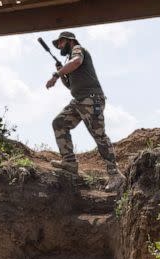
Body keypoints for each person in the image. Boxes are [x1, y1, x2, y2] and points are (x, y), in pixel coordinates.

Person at [45, 31, 125, 192]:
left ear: (69, 41)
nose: (59, 46)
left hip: (91, 99)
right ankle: (69, 162)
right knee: (59, 123)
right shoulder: (70, 59)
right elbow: (70, 86)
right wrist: (62, 74)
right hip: (79, 100)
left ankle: (116, 175)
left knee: (99, 135)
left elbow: (76, 62)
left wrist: (57, 74)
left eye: (60, 42)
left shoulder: (78, 50)